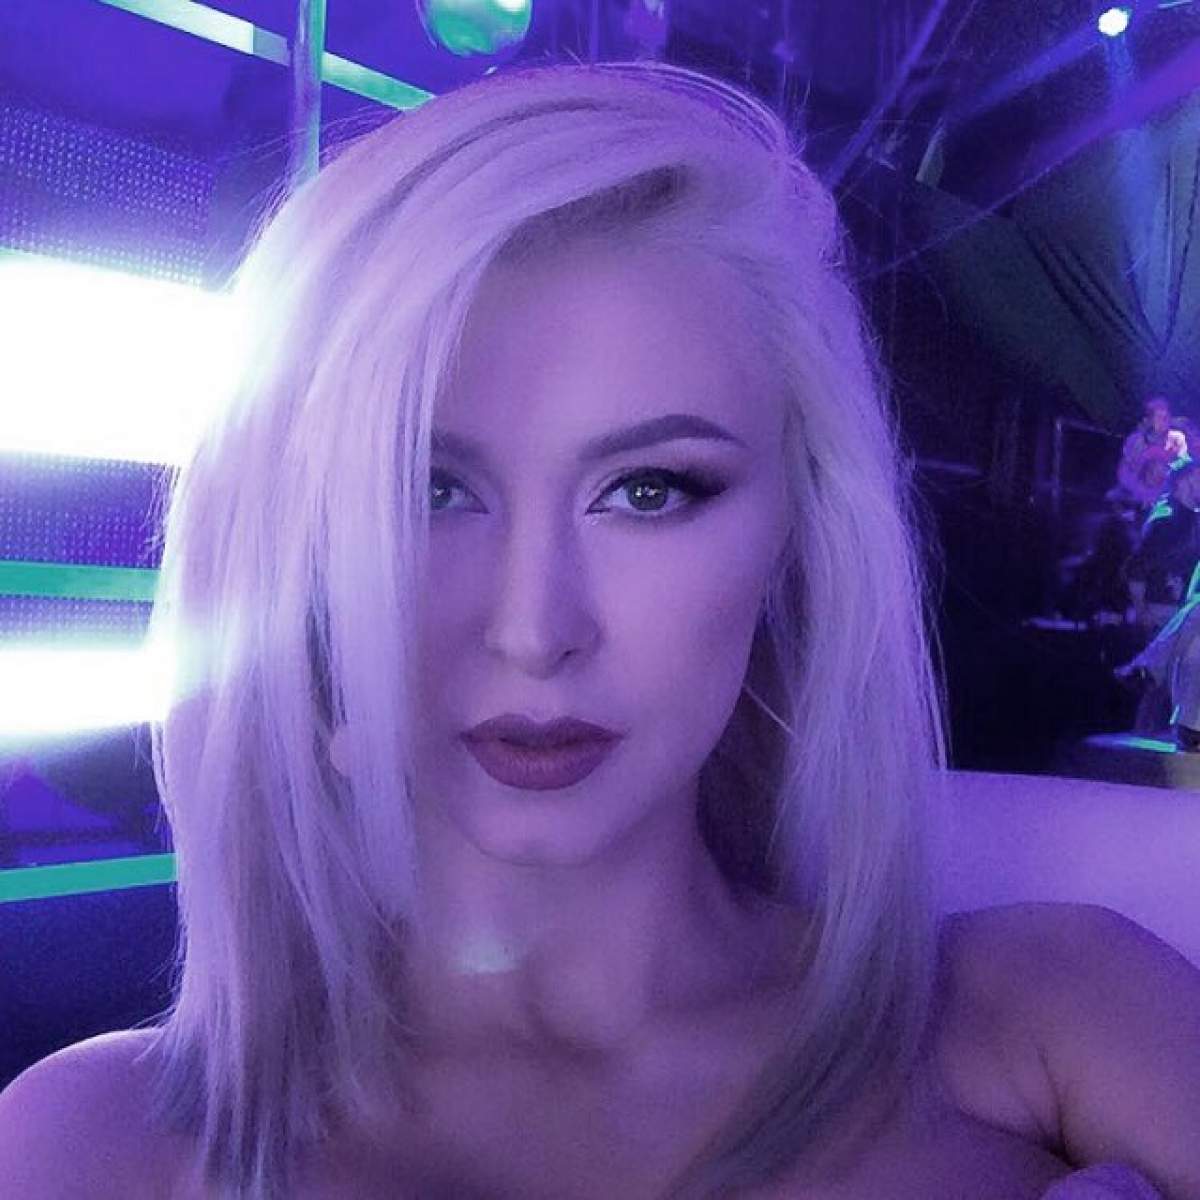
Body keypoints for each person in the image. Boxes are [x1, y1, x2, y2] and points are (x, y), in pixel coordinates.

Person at [0, 61, 1192, 1200]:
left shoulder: (1056, 1011)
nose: (535, 630)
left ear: (797, 533)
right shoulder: (97, 1141)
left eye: (650, 490)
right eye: (425, 488)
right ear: (293, 546)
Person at [1123, 457, 1200, 627]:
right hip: (1163, 611)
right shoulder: (1166, 518)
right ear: (1183, 481)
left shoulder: (1193, 517)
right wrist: (1141, 610)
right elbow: (1136, 567)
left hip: (1185, 609)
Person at [1115, 396, 1188, 511]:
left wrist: (1168, 469)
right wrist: (1141, 493)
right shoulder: (1136, 441)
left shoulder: (1178, 438)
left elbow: (1183, 463)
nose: (1164, 421)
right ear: (1148, 420)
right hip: (1136, 493)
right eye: (1159, 417)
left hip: (1168, 492)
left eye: (1166, 416)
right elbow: (1127, 471)